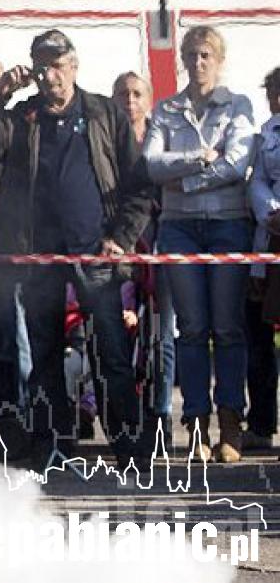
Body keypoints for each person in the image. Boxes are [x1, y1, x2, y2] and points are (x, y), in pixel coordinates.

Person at [0, 29, 151, 470]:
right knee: (44, 356)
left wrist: (121, 237)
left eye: (58, 65)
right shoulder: (23, 117)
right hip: (37, 256)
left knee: (112, 353)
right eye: (42, 66)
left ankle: (128, 449)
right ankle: (55, 447)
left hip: (96, 255)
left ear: (74, 66)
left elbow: (138, 185)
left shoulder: (104, 113)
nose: (51, 76)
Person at [144, 26, 255, 463]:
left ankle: (231, 422)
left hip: (228, 224)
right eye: (191, 54)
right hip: (179, 228)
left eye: (206, 53)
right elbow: (152, 165)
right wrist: (195, 158)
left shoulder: (238, 105)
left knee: (227, 327)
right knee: (190, 330)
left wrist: (185, 181)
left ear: (219, 59)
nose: (198, 61)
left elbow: (236, 163)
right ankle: (195, 425)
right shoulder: (166, 108)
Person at [111, 71, 178, 449]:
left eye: (137, 94)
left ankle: (161, 415)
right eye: (123, 94)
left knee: (161, 335)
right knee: (119, 332)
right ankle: (124, 418)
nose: (130, 101)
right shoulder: (106, 140)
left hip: (160, 241)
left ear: (149, 100)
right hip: (119, 245)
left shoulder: (161, 137)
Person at [247, 66, 280, 450]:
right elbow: (256, 180)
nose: (277, 100)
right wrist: (271, 213)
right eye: (273, 92)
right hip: (268, 241)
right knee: (259, 339)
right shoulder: (266, 133)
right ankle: (261, 424)